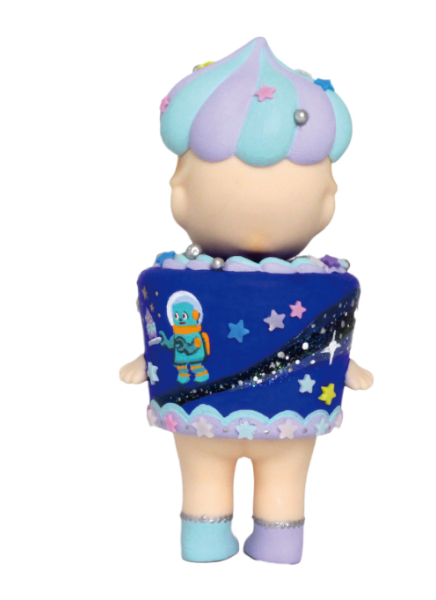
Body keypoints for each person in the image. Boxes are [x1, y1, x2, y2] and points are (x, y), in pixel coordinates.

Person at [120, 37, 373, 564]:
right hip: (228, 408)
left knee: (216, 475)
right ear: (327, 202)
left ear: (178, 193)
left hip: (247, 409)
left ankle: (233, 537)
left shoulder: (326, 285)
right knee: (267, 477)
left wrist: (345, 364)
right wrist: (149, 358)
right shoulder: (324, 285)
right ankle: (256, 537)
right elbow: (171, 334)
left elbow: (326, 338)